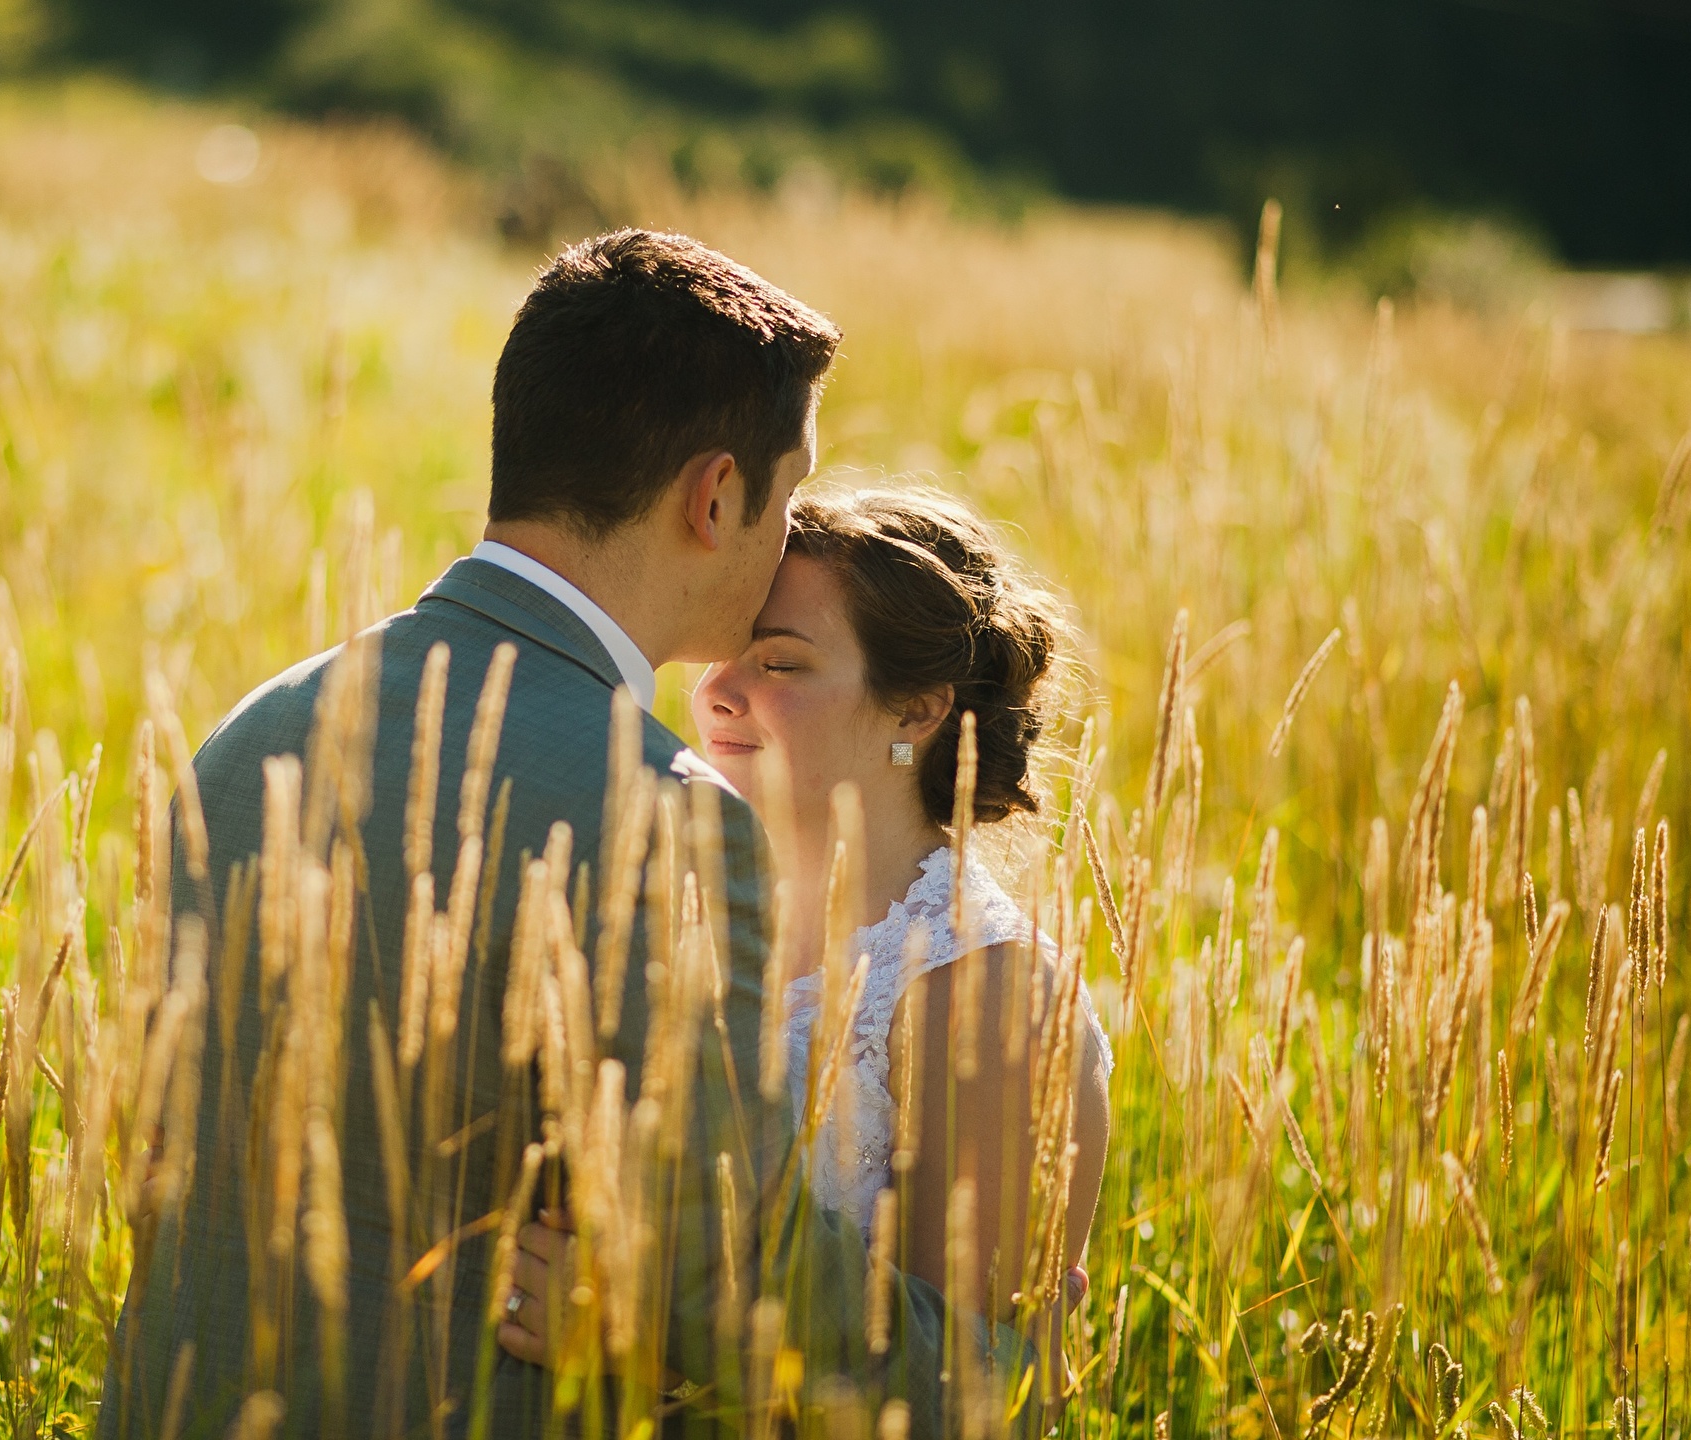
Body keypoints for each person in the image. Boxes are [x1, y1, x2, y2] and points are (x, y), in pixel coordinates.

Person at [101, 230, 1021, 1437]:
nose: (784, 532)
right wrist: (978, 1373)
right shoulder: (666, 818)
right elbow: (707, 1271)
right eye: (784, 491)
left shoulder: (255, 730)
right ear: (715, 496)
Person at [494, 488, 1114, 1405]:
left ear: (917, 712)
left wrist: (640, 1357)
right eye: (720, 657)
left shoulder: (990, 998)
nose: (714, 692)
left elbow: (969, 1396)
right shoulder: (670, 915)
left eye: (779, 664)